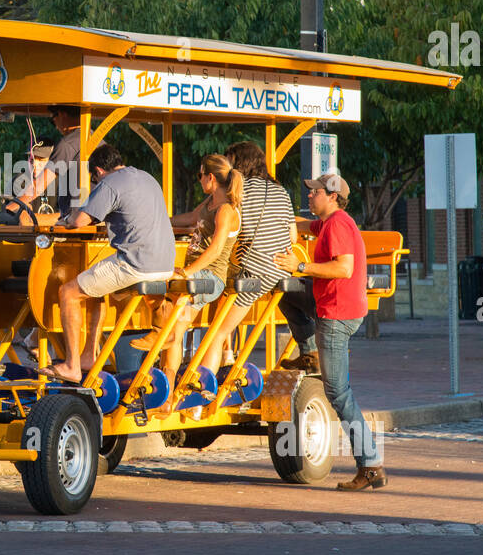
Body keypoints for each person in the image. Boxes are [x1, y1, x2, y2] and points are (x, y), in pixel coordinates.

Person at [272, 172, 386, 491]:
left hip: (337, 314)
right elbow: (302, 225)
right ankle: (309, 353)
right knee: (288, 293)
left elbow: (344, 268)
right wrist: (276, 216)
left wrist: (300, 266)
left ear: (332, 196)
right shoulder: (327, 222)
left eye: (315, 192)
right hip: (330, 304)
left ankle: (371, 464)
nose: (309, 196)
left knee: (338, 393)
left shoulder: (337, 224)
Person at [38, 143, 174, 383]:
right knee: (95, 287)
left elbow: (80, 221)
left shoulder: (110, 183)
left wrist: (64, 218)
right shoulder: (145, 176)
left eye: (94, 179)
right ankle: (89, 355)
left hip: (136, 264)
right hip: (165, 263)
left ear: (99, 171)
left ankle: (71, 365)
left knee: (68, 292)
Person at [132, 154, 242, 387]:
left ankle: (158, 332)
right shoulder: (210, 203)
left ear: (210, 177)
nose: (199, 180)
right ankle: (167, 393)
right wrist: (160, 221)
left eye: (200, 175)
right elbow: (191, 218)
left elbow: (215, 250)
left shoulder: (226, 210)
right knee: (175, 329)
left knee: (162, 289)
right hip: (196, 275)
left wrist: (185, 272)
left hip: (210, 278)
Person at [200, 141, 295, 370]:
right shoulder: (281, 191)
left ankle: (201, 397)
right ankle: (228, 354)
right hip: (278, 268)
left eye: (229, 161)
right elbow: (291, 236)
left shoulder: (238, 191)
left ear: (239, 163)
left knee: (215, 333)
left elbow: (223, 225)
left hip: (254, 270)